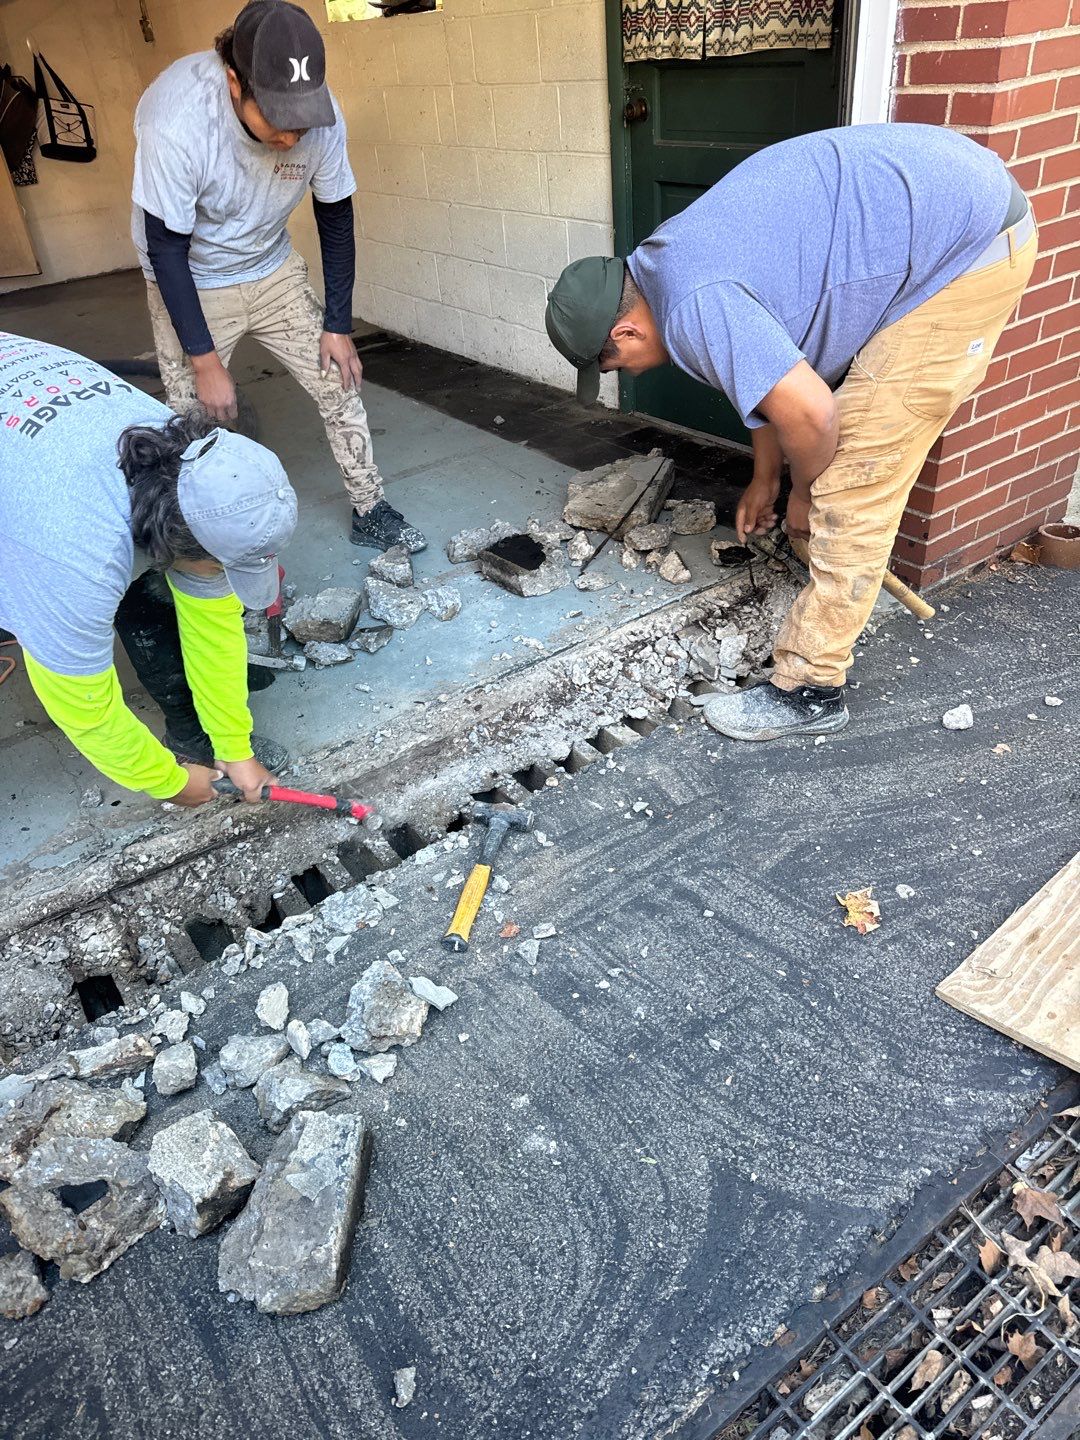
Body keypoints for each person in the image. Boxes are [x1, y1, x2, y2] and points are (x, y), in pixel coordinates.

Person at [545, 124, 1036, 741]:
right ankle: (826, 577)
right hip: (951, 202)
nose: (619, 375)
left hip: (966, 251)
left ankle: (810, 686)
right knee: (827, 458)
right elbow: (771, 373)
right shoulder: (661, 265)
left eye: (609, 367)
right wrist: (765, 476)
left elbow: (812, 414)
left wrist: (804, 494)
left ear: (624, 335)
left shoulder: (695, 306)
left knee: (854, 473)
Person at [130, 0, 425, 555]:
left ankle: (371, 506)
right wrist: (205, 361)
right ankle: (201, 544)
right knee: (193, 421)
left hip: (272, 268)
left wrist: (337, 325)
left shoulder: (318, 115)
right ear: (234, 81)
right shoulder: (176, 119)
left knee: (339, 381)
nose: (292, 136)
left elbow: (335, 216)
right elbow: (165, 248)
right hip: (192, 277)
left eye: (301, 117)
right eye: (276, 117)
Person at [0, 331, 297, 808]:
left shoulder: (192, 457)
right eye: (219, 565)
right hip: (46, 496)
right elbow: (85, 709)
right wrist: (169, 782)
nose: (219, 575)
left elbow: (212, 627)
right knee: (39, 609)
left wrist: (234, 748)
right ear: (171, 542)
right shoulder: (77, 553)